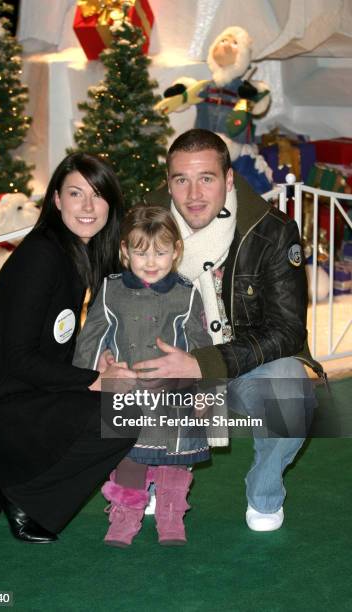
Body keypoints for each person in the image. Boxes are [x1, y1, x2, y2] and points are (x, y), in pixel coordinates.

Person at [0, 152, 137, 543]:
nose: (87, 206)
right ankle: (25, 496)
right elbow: (19, 359)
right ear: (56, 200)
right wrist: (94, 379)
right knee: (122, 413)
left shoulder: (74, 254)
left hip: (28, 392)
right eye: (75, 193)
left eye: (97, 195)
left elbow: (53, 339)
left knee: (125, 407)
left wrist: (95, 361)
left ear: (110, 203)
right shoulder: (42, 256)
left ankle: (20, 485)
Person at [138, 128, 323, 532]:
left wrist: (206, 364)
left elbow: (288, 331)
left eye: (206, 178)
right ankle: (148, 475)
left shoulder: (271, 231)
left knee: (291, 389)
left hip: (242, 364)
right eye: (180, 180)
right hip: (169, 363)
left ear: (228, 179)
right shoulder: (143, 226)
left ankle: (264, 493)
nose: (193, 194)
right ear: (167, 182)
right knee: (123, 380)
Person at [74, 206, 227, 546]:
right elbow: (91, 336)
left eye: (161, 251)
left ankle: (171, 517)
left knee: (174, 464)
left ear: (176, 251)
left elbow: (201, 348)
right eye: (141, 252)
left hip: (175, 397)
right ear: (125, 251)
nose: (151, 261)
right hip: (127, 395)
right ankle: (124, 516)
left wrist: (206, 390)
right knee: (130, 460)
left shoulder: (187, 294)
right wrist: (96, 367)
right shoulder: (110, 290)